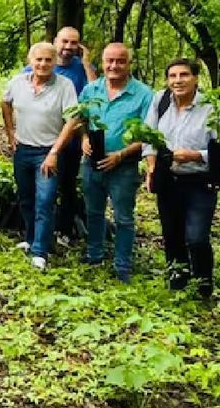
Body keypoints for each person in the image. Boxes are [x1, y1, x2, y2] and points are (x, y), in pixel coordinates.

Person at [51, 43, 153, 282]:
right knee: (94, 212)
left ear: (129, 63)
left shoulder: (144, 94)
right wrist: (85, 137)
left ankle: (122, 264)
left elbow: (149, 134)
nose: (114, 66)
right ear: (103, 63)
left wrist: (121, 154)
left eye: (120, 61)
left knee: (123, 217)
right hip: (92, 162)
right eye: (109, 61)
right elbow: (80, 119)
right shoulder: (91, 90)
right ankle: (94, 254)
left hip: (124, 166)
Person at [143, 58, 220, 299]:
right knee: (171, 235)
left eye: (184, 75)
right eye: (172, 76)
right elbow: (148, 137)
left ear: (196, 78)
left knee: (196, 237)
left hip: (200, 182)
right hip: (168, 179)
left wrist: (196, 155)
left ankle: (204, 285)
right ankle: (178, 283)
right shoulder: (160, 101)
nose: (178, 80)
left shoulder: (212, 107)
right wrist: (151, 166)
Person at [2, 42, 77, 270]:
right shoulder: (18, 82)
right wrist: (10, 133)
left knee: (45, 200)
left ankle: (40, 251)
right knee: (26, 198)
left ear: (54, 62)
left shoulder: (65, 85)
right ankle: (31, 237)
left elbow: (72, 120)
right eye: (38, 59)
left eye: (48, 60)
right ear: (30, 61)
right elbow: (5, 103)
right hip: (22, 149)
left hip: (48, 152)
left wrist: (55, 151)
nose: (43, 64)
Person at [34, 27, 98, 240]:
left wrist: (87, 63)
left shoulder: (81, 68)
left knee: (67, 185)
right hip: (42, 139)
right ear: (55, 41)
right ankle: (41, 230)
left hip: (73, 137)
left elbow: (97, 92)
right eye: (65, 42)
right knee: (43, 186)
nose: (68, 47)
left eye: (74, 43)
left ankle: (65, 229)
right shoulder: (41, 66)